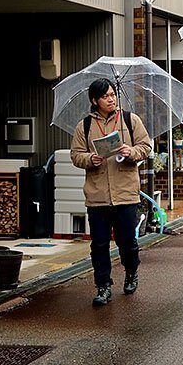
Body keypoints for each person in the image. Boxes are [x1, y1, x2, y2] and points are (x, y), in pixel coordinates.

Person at [71, 78, 152, 306]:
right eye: (106, 96)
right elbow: (76, 154)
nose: (111, 99)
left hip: (126, 194)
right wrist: (91, 158)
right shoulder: (84, 126)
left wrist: (131, 152)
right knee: (99, 245)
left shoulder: (129, 120)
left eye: (113, 95)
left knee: (127, 242)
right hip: (97, 197)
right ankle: (103, 286)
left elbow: (146, 146)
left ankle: (131, 272)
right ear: (95, 100)